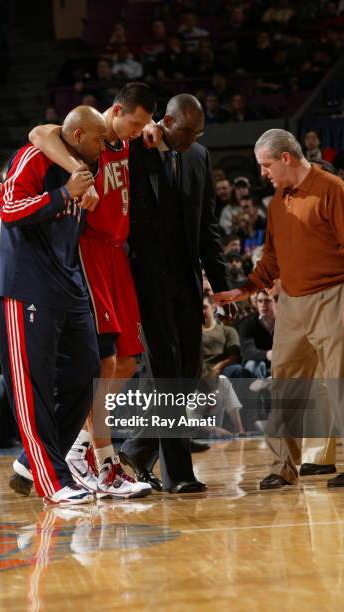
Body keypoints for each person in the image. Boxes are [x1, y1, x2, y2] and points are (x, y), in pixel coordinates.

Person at [15, 84, 158, 499]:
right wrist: (79, 176)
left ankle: (79, 445)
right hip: (89, 251)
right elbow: (40, 134)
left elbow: (156, 129)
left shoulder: (128, 139)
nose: (136, 132)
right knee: (105, 362)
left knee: (129, 362)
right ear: (115, 112)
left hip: (118, 255)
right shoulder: (87, 136)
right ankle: (96, 455)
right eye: (133, 124)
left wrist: (156, 131)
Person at [214, 128, 344, 490]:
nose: (263, 174)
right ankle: (282, 466)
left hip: (334, 297)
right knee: (285, 385)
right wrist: (244, 289)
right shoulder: (276, 203)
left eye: (266, 165)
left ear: (286, 157)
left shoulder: (332, 189)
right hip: (291, 303)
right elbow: (271, 259)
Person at [0, 106, 106, 508]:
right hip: (25, 284)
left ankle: (33, 461)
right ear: (77, 136)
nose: (104, 147)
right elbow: (9, 211)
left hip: (66, 283)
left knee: (86, 370)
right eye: (98, 140)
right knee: (32, 385)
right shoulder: (34, 157)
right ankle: (52, 480)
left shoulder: (89, 165)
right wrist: (62, 195)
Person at [118, 94, 232, 493]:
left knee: (187, 371)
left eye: (197, 132)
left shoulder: (198, 156)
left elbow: (207, 229)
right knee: (166, 373)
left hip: (186, 279)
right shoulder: (134, 149)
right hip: (143, 278)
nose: (191, 138)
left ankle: (137, 447)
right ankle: (178, 475)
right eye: (186, 130)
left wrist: (221, 287)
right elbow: (106, 129)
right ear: (165, 121)